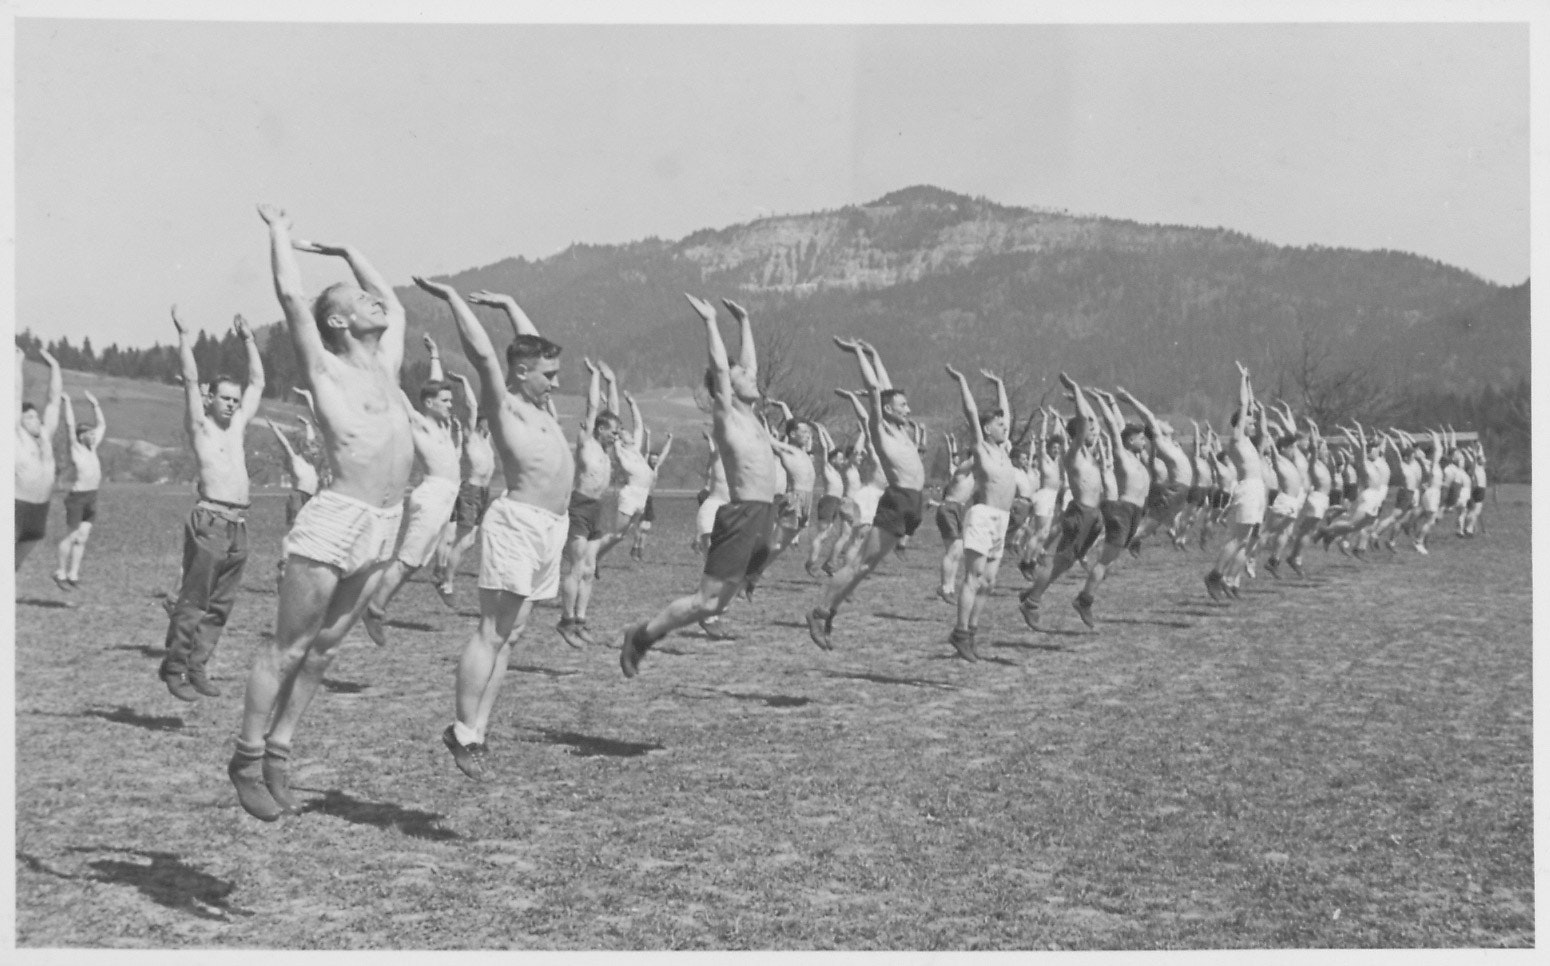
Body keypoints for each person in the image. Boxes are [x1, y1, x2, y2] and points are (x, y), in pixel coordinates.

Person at [228, 206, 414, 821]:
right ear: (338, 321)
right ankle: (246, 757)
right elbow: (290, 295)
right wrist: (279, 233)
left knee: (327, 648)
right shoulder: (326, 367)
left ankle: (280, 750)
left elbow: (396, 304)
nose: (375, 301)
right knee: (289, 646)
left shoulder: (386, 366)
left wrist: (349, 253)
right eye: (361, 300)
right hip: (336, 521)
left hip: (383, 524)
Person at [413, 280, 571, 781]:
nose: (556, 384)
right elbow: (484, 354)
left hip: (552, 527)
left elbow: (531, 347)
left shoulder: (541, 406)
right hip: (518, 524)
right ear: (522, 373)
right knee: (493, 631)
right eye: (549, 376)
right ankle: (461, 731)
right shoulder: (505, 404)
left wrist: (511, 304)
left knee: (513, 634)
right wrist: (452, 299)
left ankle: (478, 731)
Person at [619, 296, 779, 676]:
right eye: (743, 378)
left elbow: (747, 366)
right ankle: (641, 635)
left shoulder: (752, 415)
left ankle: (652, 631)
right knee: (705, 602)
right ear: (727, 389)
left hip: (762, 513)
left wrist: (745, 321)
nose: (752, 378)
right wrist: (710, 321)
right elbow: (722, 371)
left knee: (716, 604)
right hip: (742, 514)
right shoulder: (728, 416)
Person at [162, 308, 264, 702]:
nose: (232, 405)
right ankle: (174, 667)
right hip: (210, 521)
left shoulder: (237, 427)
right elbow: (189, 379)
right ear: (209, 398)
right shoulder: (200, 426)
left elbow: (258, 382)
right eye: (225, 398)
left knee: (221, 605)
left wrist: (249, 340)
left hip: (239, 526)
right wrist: (184, 337)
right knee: (194, 600)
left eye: (235, 400)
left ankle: (197, 666)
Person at [805, 338, 926, 650]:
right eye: (903, 406)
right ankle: (819, 612)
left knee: (865, 566)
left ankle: (828, 611)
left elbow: (885, 387)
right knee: (859, 563)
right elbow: (875, 390)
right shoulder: (880, 429)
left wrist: (875, 353)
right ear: (887, 410)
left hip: (912, 502)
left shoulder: (902, 429)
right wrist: (858, 353)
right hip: (898, 500)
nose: (908, 409)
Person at [359, 335, 463, 646]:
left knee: (415, 563)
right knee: (407, 560)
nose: (450, 405)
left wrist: (435, 356)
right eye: (445, 402)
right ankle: (373, 608)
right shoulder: (420, 423)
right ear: (430, 404)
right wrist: (376, 360)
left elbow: (436, 387)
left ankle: (375, 605)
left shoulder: (443, 425)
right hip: (432, 496)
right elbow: (399, 394)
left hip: (445, 499)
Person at [1017, 373, 1105, 628]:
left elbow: (1092, 421)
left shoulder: (1089, 453)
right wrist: (1076, 390)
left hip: (1093, 514)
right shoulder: (1073, 453)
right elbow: (1085, 423)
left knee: (1066, 562)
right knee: (1059, 562)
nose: (1095, 432)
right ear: (1080, 433)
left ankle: (1031, 592)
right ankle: (1031, 603)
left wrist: (1082, 399)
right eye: (1090, 430)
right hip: (1081, 513)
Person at [943, 366, 1016, 660]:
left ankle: (971, 632)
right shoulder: (982, 449)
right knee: (973, 576)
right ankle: (960, 632)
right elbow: (971, 413)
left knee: (989, 582)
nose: (1005, 427)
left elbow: (1007, 414)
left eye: (1004, 424)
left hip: (1002, 519)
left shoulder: (1004, 450)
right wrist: (963, 381)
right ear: (987, 429)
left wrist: (999, 384)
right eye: (999, 424)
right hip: (983, 516)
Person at [1069, 388, 1151, 627]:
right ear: (1130, 441)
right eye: (1140, 438)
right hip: (1123, 510)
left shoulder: (1137, 459)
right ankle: (1084, 600)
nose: (1143, 441)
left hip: (1135, 513)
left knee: (1109, 560)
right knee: (1105, 561)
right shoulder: (1122, 455)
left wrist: (1114, 403)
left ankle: (1087, 591)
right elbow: (1114, 428)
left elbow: (1120, 425)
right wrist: (1102, 401)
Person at [556, 357, 621, 648]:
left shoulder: (607, 450)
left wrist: (612, 381)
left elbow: (613, 412)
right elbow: (593, 408)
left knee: (590, 568)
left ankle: (581, 620)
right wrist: (595, 376)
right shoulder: (588, 443)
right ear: (600, 429)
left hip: (598, 508)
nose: (616, 436)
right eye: (613, 431)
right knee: (576, 566)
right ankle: (566, 620)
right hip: (580, 506)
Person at [432, 370, 497, 605]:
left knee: (467, 541)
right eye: (488, 421)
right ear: (481, 421)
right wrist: (465, 381)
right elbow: (472, 406)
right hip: (470, 491)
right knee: (464, 540)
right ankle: (446, 582)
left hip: (483, 493)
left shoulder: (487, 438)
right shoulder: (472, 436)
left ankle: (443, 576)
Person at [1204, 363, 1266, 601]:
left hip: (1257, 489)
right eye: (1249, 422)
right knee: (1238, 539)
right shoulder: (1238, 439)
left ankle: (1229, 579)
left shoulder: (1249, 442)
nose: (1253, 424)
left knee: (1246, 541)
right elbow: (1244, 405)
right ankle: (1215, 575)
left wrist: (1249, 382)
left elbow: (1251, 407)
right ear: (1240, 424)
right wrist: (1242, 379)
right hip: (1248, 489)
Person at [596, 389, 657, 568]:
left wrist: (632, 403)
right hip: (631, 495)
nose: (629, 434)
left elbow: (638, 424)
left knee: (620, 537)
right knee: (616, 534)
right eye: (624, 434)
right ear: (620, 439)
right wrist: (606, 402)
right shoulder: (621, 452)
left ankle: (595, 559)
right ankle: (591, 557)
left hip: (642, 496)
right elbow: (613, 426)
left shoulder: (635, 450)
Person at [53, 390, 106, 588]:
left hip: (92, 496)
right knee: (72, 536)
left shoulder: (93, 448)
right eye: (89, 434)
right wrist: (67, 402)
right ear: (81, 436)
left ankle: (73, 574)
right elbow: (69, 425)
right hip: (77, 497)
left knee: (82, 537)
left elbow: (102, 425)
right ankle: (60, 572)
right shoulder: (76, 448)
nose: (93, 436)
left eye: (93, 434)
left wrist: (95, 404)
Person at [16, 346, 63, 572]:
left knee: (14, 565)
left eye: (36, 416)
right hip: (16, 506)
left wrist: (55, 367)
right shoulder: (16, 437)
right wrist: (17, 364)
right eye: (29, 417)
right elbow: (14, 396)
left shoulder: (45, 436)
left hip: (39, 509)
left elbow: (54, 402)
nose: (35, 420)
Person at [268, 416, 320, 585]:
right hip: (298, 496)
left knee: (309, 531)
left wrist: (308, 424)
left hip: (311, 499)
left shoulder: (312, 464)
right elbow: (285, 444)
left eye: (315, 450)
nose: (315, 453)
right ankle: (284, 563)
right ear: (304, 450)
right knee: (293, 531)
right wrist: (275, 428)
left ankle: (302, 565)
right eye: (311, 450)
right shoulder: (297, 460)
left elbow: (311, 440)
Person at [933, 433, 976, 603]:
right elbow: (968, 457)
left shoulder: (974, 476)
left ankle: (949, 588)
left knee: (957, 552)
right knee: (952, 551)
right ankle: (945, 587)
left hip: (960, 509)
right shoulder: (963, 469)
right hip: (949, 508)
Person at [629, 435, 673, 561]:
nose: (654, 461)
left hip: (649, 499)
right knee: (640, 526)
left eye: (655, 460)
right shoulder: (645, 467)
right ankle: (635, 547)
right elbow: (646, 452)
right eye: (652, 459)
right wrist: (647, 436)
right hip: (641, 497)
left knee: (646, 527)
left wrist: (670, 440)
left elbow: (664, 453)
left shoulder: (656, 468)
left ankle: (640, 549)